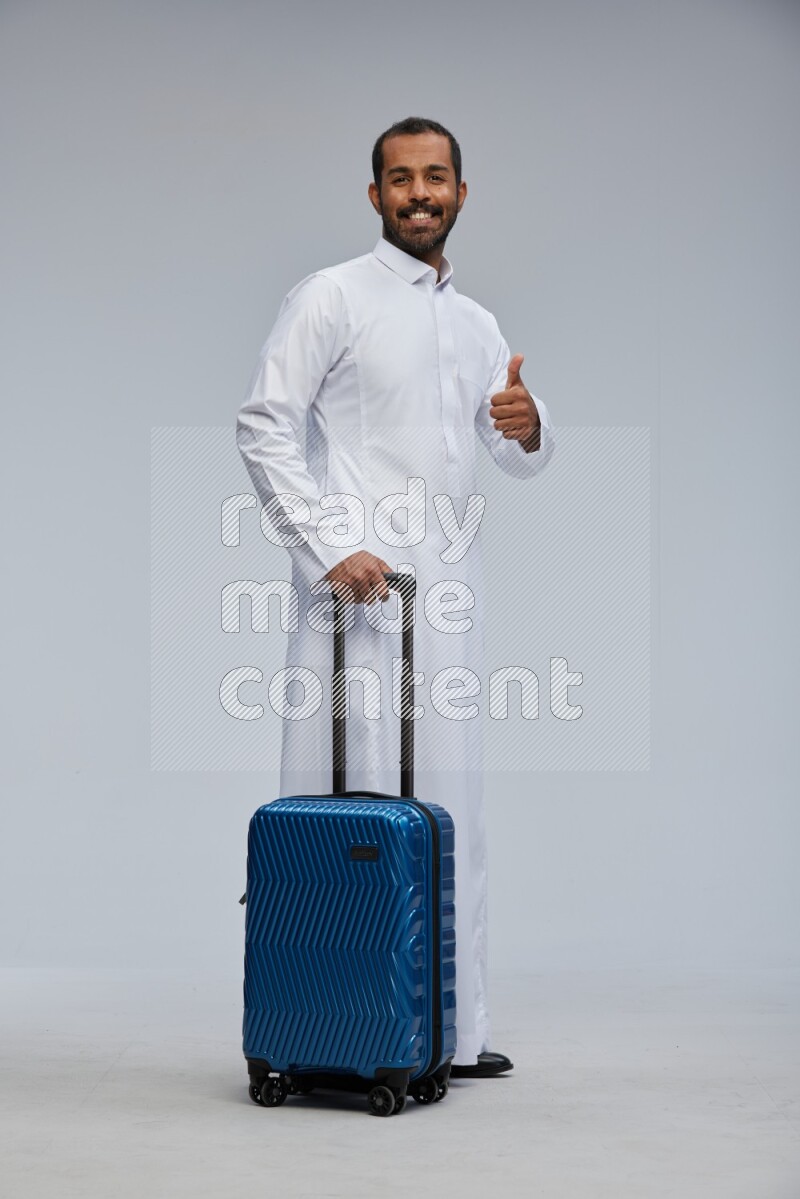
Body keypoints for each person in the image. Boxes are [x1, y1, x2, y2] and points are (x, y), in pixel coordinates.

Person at [236, 116, 555, 1078]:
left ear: (462, 191)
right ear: (374, 193)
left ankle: (444, 1031)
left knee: (451, 806)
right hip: (357, 602)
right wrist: (332, 547)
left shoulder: (476, 321)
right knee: (354, 804)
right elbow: (264, 426)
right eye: (402, 179)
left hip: (445, 602)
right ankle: (336, 1032)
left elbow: (502, 451)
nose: (421, 194)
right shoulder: (331, 297)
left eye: (438, 178)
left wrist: (530, 426)